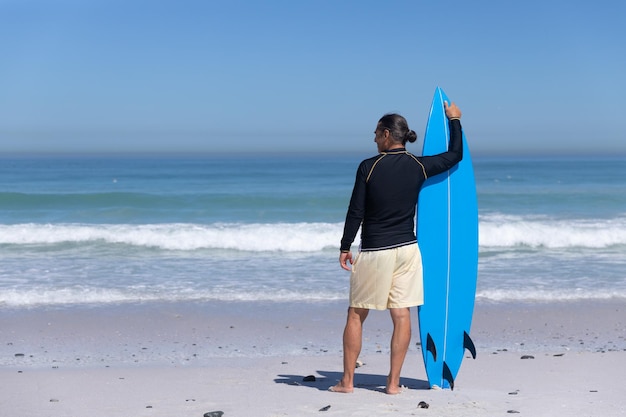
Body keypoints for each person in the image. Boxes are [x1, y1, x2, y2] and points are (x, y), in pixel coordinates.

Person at [330, 101, 463, 394]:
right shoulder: (419, 165)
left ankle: (348, 382)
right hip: (407, 251)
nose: (374, 138)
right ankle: (392, 384)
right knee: (401, 314)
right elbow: (455, 156)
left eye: (377, 133)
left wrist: (345, 246)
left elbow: (356, 211)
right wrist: (454, 119)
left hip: (376, 251)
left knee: (356, 314)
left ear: (388, 134)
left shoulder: (369, 166)